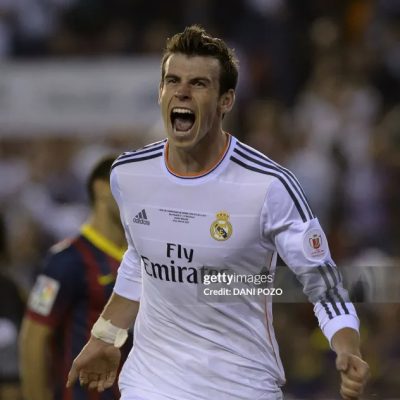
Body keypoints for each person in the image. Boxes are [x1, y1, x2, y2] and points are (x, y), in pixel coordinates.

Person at [67, 25, 370, 400]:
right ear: (161, 91)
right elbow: (140, 261)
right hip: (151, 383)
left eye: (198, 83)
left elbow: (323, 281)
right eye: (173, 80)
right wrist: (106, 336)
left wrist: (347, 346)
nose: (182, 92)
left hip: (241, 386)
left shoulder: (269, 186)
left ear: (226, 101)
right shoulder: (129, 174)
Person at [20, 156, 129, 400]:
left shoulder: (141, 260)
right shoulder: (63, 262)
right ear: (101, 188)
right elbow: (33, 338)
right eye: (128, 187)